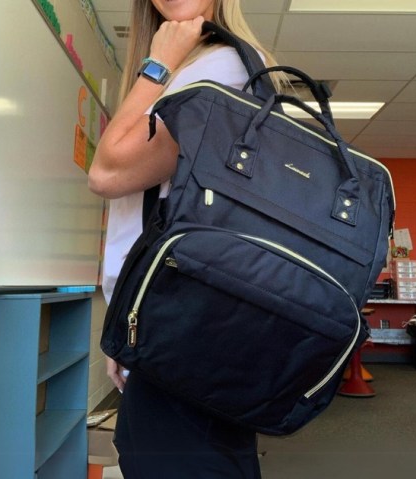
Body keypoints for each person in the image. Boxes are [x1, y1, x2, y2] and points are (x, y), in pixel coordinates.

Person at [88, 0, 283, 476]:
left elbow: (108, 174)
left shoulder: (224, 66)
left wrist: (157, 67)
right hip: (173, 319)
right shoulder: (196, 65)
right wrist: (124, 323)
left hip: (183, 323)